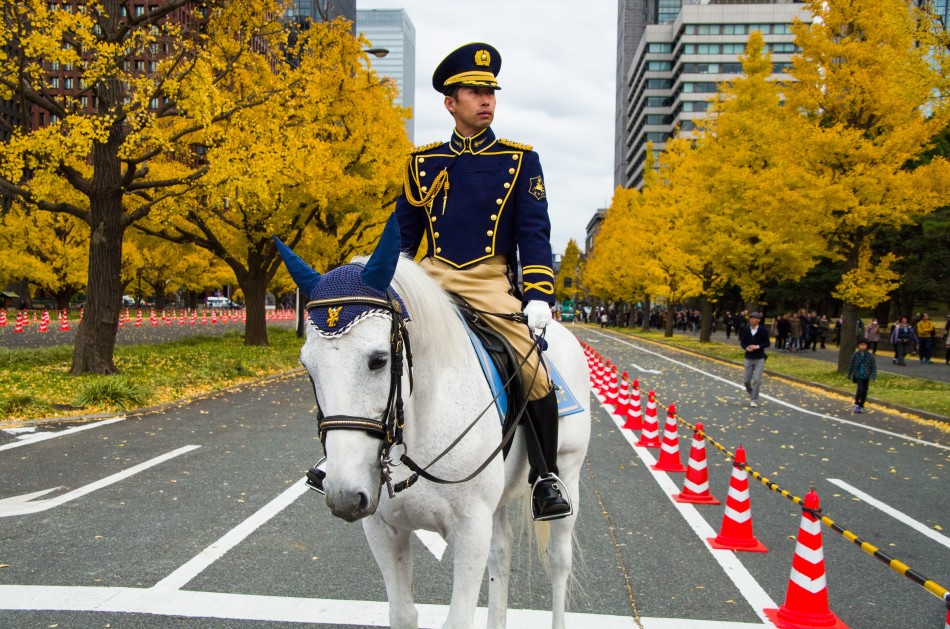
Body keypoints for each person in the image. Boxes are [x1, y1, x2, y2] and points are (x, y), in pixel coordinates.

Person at [393, 43, 569, 520]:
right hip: (430, 280)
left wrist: (538, 295)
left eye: (490, 91)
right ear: (450, 103)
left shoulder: (520, 160)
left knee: (533, 367)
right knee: (374, 346)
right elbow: (403, 240)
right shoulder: (421, 163)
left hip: (489, 280)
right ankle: (350, 457)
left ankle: (545, 477)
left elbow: (534, 233)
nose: (486, 99)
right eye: (474, 92)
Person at [739, 312, 770, 408]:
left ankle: (754, 399)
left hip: (759, 358)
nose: (752, 320)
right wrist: (747, 348)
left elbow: (767, 343)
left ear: (758, 320)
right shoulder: (746, 330)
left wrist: (757, 346)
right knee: (746, 381)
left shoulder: (763, 330)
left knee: (756, 379)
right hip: (748, 357)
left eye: (755, 318)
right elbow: (742, 342)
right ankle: (751, 392)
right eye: (751, 318)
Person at [847, 338, 877, 413]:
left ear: (867, 346)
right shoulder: (855, 355)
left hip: (866, 375)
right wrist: (849, 374)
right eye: (860, 345)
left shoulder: (870, 356)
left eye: (864, 345)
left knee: (865, 390)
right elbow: (851, 365)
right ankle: (857, 403)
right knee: (860, 389)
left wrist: (873, 375)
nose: (862, 346)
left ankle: (861, 404)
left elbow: (873, 366)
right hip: (858, 375)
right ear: (858, 346)